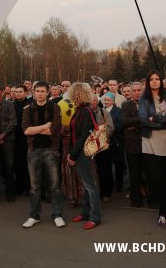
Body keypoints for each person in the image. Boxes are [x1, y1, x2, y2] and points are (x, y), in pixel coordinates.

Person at [138, 70, 166, 230]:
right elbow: (143, 121)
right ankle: (164, 213)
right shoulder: (144, 99)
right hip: (150, 142)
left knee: (165, 178)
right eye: (152, 79)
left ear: (161, 81)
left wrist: (155, 119)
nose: (155, 81)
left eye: (157, 79)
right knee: (157, 178)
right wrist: (165, 123)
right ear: (148, 82)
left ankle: (165, 215)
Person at [22, 81, 65, 228]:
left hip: (50, 150)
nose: (39, 93)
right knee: (34, 187)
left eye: (42, 91)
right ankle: (34, 216)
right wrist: (45, 126)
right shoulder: (28, 109)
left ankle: (57, 214)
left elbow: (54, 130)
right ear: (33, 92)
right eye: (37, 91)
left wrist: (40, 129)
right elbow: (26, 130)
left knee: (54, 185)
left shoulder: (55, 107)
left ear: (47, 92)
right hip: (33, 150)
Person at [68, 83, 101, 230]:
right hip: (80, 152)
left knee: (90, 185)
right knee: (87, 185)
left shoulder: (85, 111)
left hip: (83, 153)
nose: (70, 97)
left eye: (72, 94)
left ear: (77, 94)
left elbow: (82, 136)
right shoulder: (80, 110)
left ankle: (94, 217)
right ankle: (86, 212)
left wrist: (73, 155)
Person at [121, 82, 144, 207]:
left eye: (139, 90)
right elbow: (124, 121)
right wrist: (142, 120)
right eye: (134, 90)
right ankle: (136, 200)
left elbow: (152, 120)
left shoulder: (148, 104)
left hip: (147, 143)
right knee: (134, 174)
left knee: (150, 172)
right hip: (132, 144)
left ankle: (152, 199)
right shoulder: (125, 105)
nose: (136, 92)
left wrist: (133, 125)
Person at [58, 96, 83, 208]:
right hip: (67, 144)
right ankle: (72, 196)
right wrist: (62, 130)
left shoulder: (82, 109)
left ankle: (78, 196)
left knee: (77, 170)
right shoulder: (60, 104)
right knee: (69, 170)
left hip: (77, 144)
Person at [91, 94, 114, 203]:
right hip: (89, 148)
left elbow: (110, 128)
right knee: (92, 171)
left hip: (102, 146)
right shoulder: (86, 113)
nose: (92, 102)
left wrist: (99, 137)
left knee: (104, 170)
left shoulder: (104, 112)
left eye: (94, 100)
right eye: (90, 100)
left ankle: (106, 193)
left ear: (97, 101)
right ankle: (95, 193)